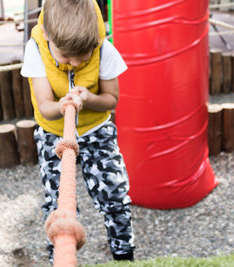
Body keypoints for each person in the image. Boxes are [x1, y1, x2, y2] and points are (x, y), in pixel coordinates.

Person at [20, 0, 135, 263]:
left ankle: (124, 254)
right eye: (65, 56)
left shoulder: (102, 47)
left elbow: (111, 99)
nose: (73, 64)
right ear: (48, 35)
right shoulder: (36, 48)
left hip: (97, 130)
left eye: (81, 57)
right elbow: (44, 105)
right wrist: (63, 105)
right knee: (57, 202)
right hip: (54, 133)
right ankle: (59, 256)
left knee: (115, 193)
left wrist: (88, 99)